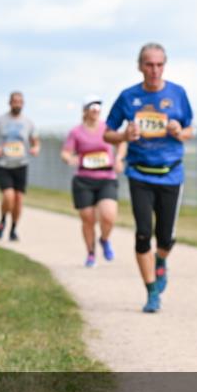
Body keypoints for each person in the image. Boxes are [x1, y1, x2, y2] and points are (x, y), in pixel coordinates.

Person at [104, 43, 194, 314]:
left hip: (171, 174)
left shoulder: (177, 94)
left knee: (165, 238)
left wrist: (180, 131)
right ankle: (152, 290)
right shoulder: (128, 96)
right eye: (149, 64)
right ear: (140, 66)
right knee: (143, 233)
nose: (154, 70)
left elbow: (189, 130)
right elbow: (107, 133)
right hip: (139, 173)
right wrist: (123, 136)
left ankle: (161, 260)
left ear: (164, 66)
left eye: (159, 65)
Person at [62, 96, 127, 267]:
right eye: (92, 108)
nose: (96, 111)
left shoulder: (107, 128)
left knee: (108, 215)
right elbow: (66, 152)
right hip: (84, 180)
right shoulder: (76, 132)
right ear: (85, 111)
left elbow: (121, 143)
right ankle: (90, 253)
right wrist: (69, 159)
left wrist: (119, 158)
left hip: (106, 178)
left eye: (98, 109)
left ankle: (104, 239)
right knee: (88, 218)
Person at [0, 91, 39, 241]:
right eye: (15, 101)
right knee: (8, 196)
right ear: (10, 103)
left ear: (23, 104)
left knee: (18, 199)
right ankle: (3, 220)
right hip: (4, 164)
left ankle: (13, 229)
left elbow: (35, 140)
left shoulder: (28, 123)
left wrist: (36, 148)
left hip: (21, 164)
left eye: (20, 102)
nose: (17, 104)